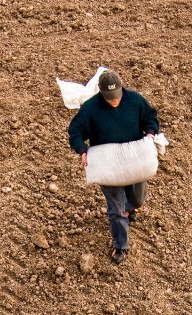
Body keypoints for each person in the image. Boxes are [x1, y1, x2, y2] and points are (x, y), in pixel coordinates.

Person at [68, 70, 160, 264]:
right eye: (110, 98)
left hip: (135, 157)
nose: (115, 101)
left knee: (138, 198)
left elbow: (151, 117)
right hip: (108, 162)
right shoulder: (90, 108)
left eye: (117, 96)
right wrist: (82, 150)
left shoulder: (135, 100)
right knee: (115, 208)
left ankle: (129, 208)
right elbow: (75, 131)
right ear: (100, 91)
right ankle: (120, 244)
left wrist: (151, 133)